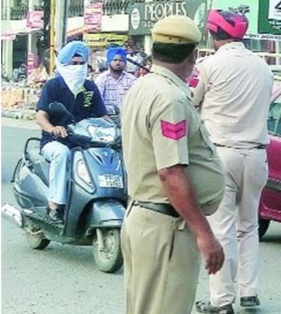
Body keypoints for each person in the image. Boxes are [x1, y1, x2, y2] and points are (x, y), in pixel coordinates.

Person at [121, 15, 226, 314]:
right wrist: (205, 233)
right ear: (193, 55)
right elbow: (171, 172)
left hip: (148, 218)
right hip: (166, 227)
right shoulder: (170, 99)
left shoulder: (144, 87)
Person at [192, 10, 274, 314]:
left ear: (215, 36)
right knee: (248, 225)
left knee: (222, 228)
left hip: (221, 154)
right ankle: (249, 292)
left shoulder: (209, 66)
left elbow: (192, 102)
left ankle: (221, 301)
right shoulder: (264, 68)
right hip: (256, 155)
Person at [36, 41, 108, 224]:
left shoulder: (90, 88)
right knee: (62, 153)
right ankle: (54, 206)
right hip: (55, 142)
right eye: (73, 63)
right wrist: (53, 129)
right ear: (64, 64)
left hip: (85, 142)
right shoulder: (53, 86)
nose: (78, 67)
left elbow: (103, 116)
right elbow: (41, 116)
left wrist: (118, 128)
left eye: (81, 63)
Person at [95, 47, 137, 113]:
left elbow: (135, 99)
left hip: (127, 115)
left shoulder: (131, 79)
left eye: (121, 60)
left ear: (125, 63)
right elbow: (98, 101)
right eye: (115, 60)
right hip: (107, 117)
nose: (118, 62)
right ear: (109, 62)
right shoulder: (101, 79)